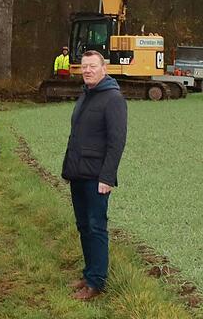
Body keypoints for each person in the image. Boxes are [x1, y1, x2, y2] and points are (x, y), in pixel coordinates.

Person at [61, 50, 127, 301]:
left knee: (96, 227)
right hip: (79, 174)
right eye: (84, 67)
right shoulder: (86, 95)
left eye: (92, 66)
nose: (87, 70)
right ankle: (89, 274)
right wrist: (69, 169)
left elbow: (116, 141)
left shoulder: (113, 99)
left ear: (104, 69)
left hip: (97, 177)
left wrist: (107, 178)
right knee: (83, 226)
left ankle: (97, 282)